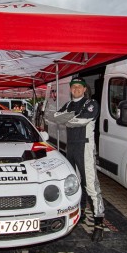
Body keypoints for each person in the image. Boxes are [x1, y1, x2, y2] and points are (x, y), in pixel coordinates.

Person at [56, 77, 107, 241]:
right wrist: (65, 118)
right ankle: (81, 213)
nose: (77, 89)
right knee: (75, 183)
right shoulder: (69, 105)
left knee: (91, 185)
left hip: (85, 147)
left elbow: (82, 120)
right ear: (70, 89)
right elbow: (56, 116)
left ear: (85, 89)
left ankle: (99, 223)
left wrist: (67, 119)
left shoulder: (91, 103)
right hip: (70, 147)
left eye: (80, 87)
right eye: (74, 87)